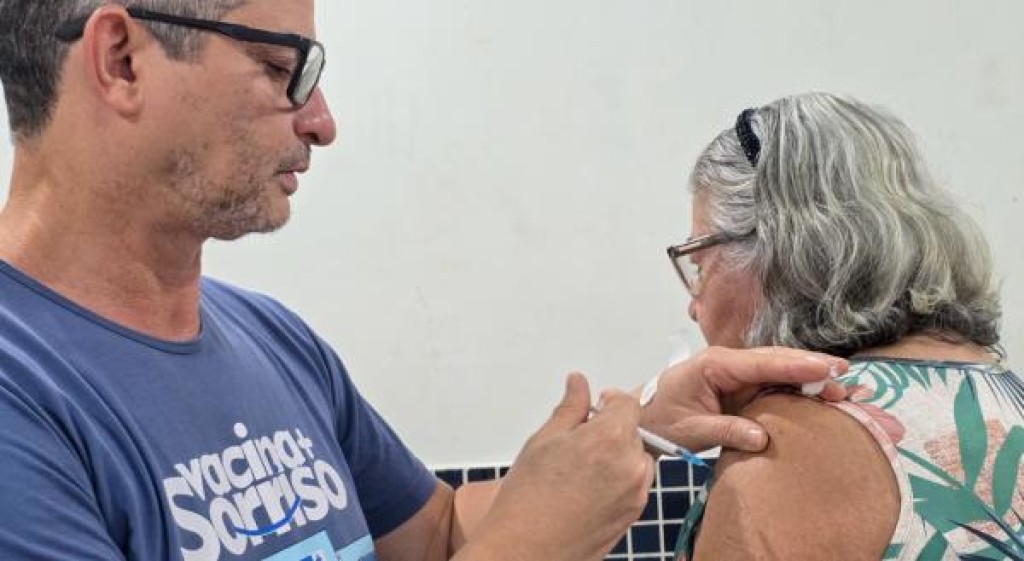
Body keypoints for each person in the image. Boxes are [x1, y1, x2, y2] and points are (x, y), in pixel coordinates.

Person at [0, 2, 846, 560]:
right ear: (121, 59)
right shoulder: (20, 394)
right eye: (281, 67)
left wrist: (640, 433)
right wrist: (531, 548)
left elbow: (436, 533)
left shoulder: (272, 341)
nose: (322, 122)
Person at [661, 92, 1024, 560]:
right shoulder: (1004, 394)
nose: (694, 307)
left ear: (773, 248)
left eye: (698, 263)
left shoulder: (791, 448)